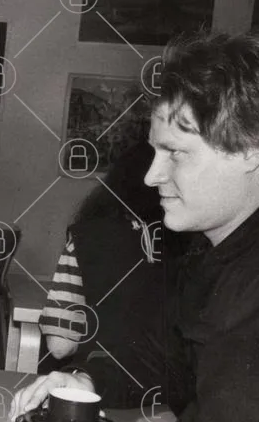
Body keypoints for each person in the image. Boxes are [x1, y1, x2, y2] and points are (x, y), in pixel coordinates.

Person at [12, 31, 259, 422]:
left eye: (177, 153)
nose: (151, 176)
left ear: (254, 149)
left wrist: (185, 421)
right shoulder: (226, 246)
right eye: (154, 151)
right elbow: (162, 355)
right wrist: (87, 381)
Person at [38, 141, 187, 407]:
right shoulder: (195, 244)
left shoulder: (87, 238)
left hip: (101, 393)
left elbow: (60, 346)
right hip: (176, 401)